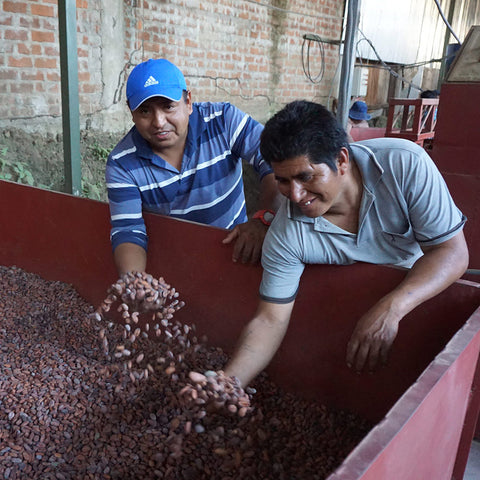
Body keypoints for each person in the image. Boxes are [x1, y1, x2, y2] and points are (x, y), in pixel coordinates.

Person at [223, 100, 469, 387]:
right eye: (283, 181)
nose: (296, 195)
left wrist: (391, 308)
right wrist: (229, 383)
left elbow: (452, 252)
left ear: (341, 160)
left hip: (416, 299)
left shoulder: (405, 164)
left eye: (306, 177)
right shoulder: (286, 234)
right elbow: (269, 321)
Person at [106, 59, 280, 276]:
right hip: (176, 268)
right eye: (145, 111)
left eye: (168, 106)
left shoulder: (224, 121)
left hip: (239, 255)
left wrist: (264, 217)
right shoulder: (122, 163)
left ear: (188, 101)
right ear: (131, 112)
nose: (159, 121)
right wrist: (136, 282)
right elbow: (128, 231)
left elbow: (274, 162)